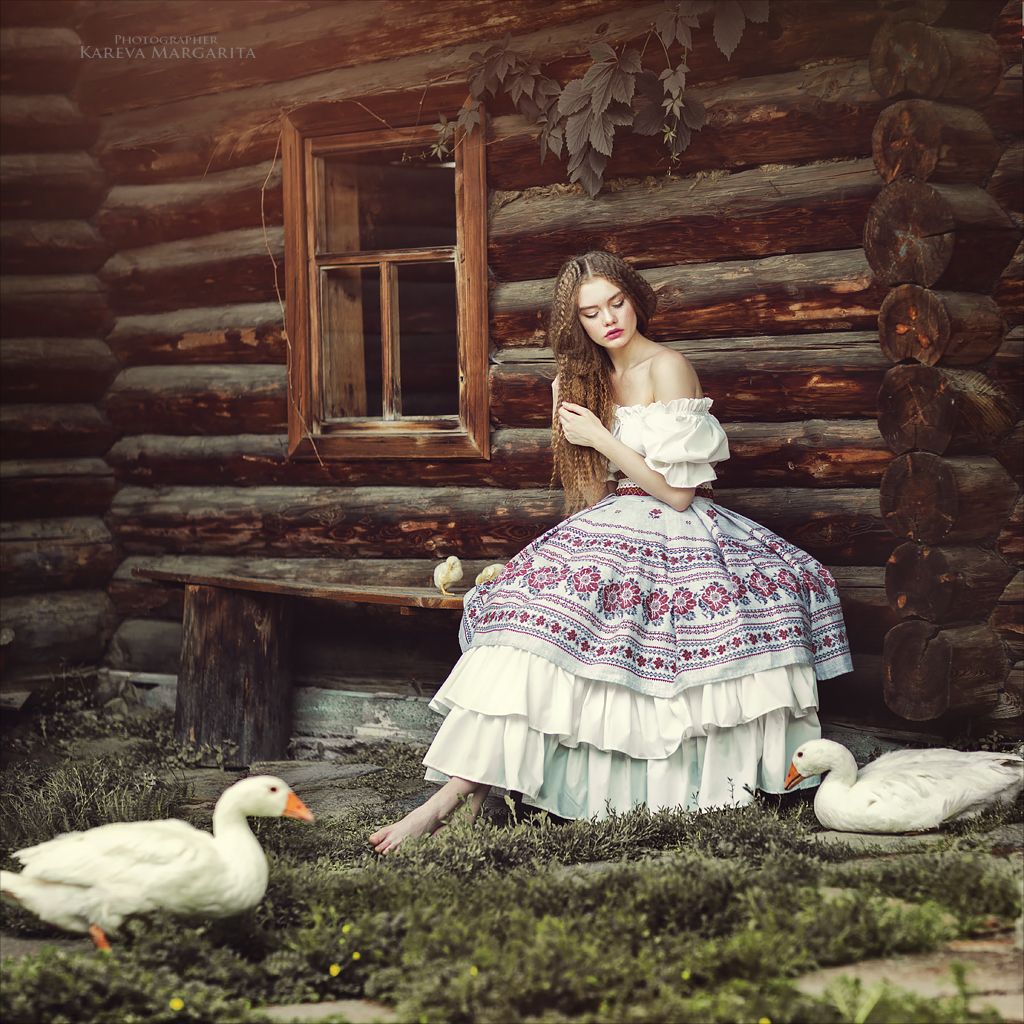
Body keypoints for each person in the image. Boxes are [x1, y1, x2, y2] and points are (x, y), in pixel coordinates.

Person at [369, 250, 852, 854]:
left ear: (634, 297)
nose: (609, 321)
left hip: (677, 519)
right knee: (538, 635)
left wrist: (598, 435)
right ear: (579, 325)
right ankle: (459, 795)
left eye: (615, 303)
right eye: (591, 314)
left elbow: (679, 492)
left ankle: (453, 801)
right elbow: (587, 493)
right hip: (616, 519)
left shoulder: (667, 367)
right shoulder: (588, 379)